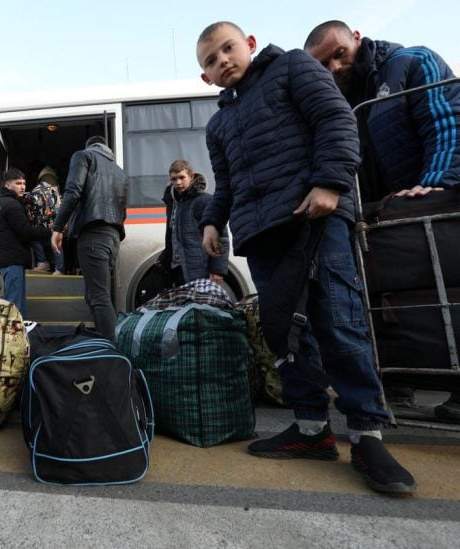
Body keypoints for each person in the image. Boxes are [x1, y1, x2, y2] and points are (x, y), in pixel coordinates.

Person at [196, 21, 416, 494]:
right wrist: (212, 222)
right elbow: (227, 183)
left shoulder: (294, 66)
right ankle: (312, 429)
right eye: (211, 61)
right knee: (284, 333)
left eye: (228, 49)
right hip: (262, 231)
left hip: (315, 217)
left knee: (339, 320)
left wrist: (330, 182)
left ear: (249, 44)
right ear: (206, 78)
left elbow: (335, 120)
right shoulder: (218, 125)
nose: (223, 62)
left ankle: (366, 434)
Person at [304, 20, 460, 421]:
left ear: (357, 37)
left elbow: (445, 124)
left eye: (339, 53)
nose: (334, 67)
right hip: (385, 213)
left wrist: (437, 183)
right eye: (323, 65)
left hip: (431, 201)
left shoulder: (410, 62)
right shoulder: (339, 101)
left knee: (447, 295)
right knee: (395, 303)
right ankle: (401, 381)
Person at [51, 136, 128, 341]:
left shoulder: (84, 156)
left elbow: (73, 192)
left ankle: (112, 351)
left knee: (98, 296)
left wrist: (58, 227)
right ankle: (105, 345)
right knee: (96, 295)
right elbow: (123, 211)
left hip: (93, 234)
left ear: (90, 146)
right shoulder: (119, 171)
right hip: (113, 237)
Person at [157, 159, 229, 286]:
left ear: (191, 176)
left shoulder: (205, 201)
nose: (178, 182)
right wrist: (164, 258)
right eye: (174, 179)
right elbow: (173, 237)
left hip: (200, 270)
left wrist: (217, 270)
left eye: (181, 177)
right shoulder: (173, 203)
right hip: (177, 270)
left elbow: (220, 237)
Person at [0, 167, 51, 315]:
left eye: (24, 183)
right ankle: (13, 336)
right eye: (18, 183)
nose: (23, 186)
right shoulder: (12, 205)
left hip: (9, 259)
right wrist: (50, 231)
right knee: (15, 307)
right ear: (7, 185)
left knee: (16, 306)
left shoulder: (5, 202)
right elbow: (26, 231)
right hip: (12, 260)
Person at [24, 166, 64, 274]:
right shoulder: (56, 191)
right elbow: (61, 208)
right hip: (54, 225)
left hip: (39, 226)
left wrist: (32, 223)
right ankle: (59, 268)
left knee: (34, 239)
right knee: (56, 244)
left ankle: (43, 262)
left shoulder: (33, 192)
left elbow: (29, 210)